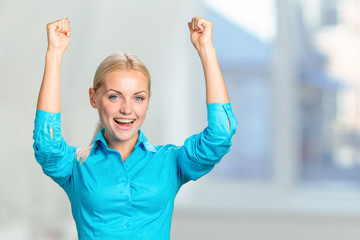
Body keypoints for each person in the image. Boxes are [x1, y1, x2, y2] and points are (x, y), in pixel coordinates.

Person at [33, 16, 237, 239]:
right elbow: (47, 144)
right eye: (114, 97)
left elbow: (220, 134)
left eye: (138, 98)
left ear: (148, 100)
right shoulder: (76, 166)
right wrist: (54, 53)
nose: (127, 109)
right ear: (94, 98)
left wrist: (206, 49)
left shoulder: (169, 162)